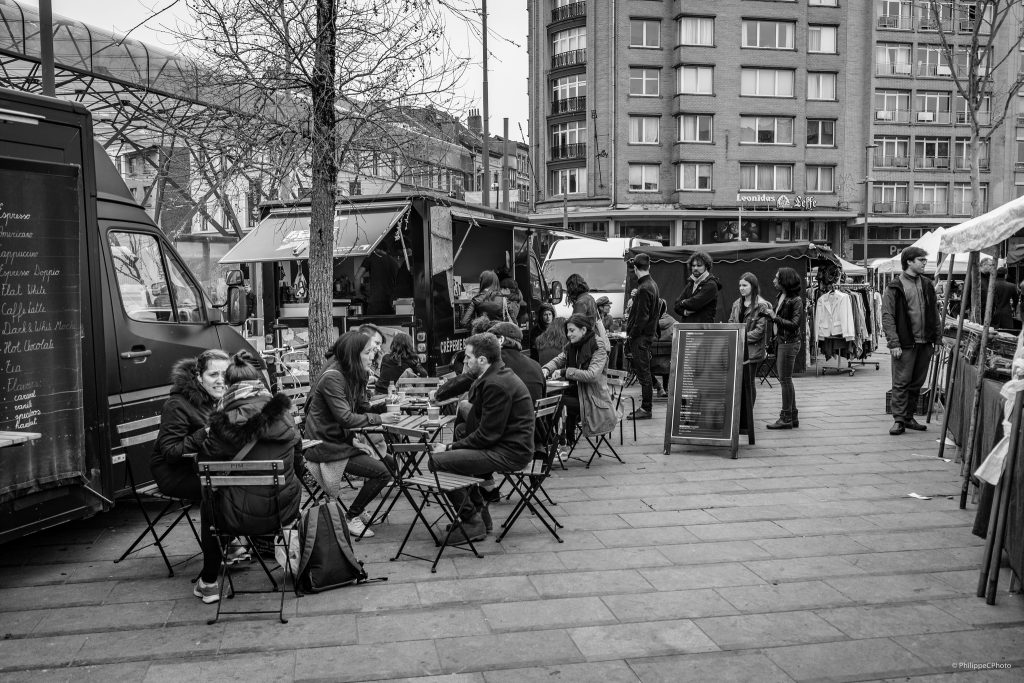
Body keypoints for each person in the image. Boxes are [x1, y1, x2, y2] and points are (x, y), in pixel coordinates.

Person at [194, 351, 302, 603]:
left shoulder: (222, 423)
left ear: (231, 387)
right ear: (259, 383)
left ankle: (209, 581)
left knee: (210, 498)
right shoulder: (285, 416)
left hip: (234, 517)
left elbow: (203, 465)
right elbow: (299, 460)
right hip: (282, 512)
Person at [430, 333, 535, 542]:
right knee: (460, 436)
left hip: (510, 452)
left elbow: (487, 436)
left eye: (468, 357)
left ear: (482, 359)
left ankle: (471, 521)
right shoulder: (494, 374)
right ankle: (480, 515)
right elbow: (485, 430)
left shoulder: (496, 384)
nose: (465, 362)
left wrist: (450, 448)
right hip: (504, 444)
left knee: (437, 461)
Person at [303, 332, 402, 536]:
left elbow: (361, 408)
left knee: (391, 463)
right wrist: (380, 419)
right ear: (353, 355)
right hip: (323, 447)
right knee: (383, 472)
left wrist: (387, 404)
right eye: (368, 352)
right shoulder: (333, 378)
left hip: (340, 442)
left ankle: (359, 509)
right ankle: (351, 516)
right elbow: (345, 418)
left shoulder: (354, 375)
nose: (373, 356)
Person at [151, 350, 230, 503]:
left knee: (256, 479)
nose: (221, 381)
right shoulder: (176, 405)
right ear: (199, 377)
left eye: (225, 374)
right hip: (176, 476)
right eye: (213, 375)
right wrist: (206, 432)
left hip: (208, 469)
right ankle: (218, 526)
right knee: (240, 488)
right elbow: (170, 452)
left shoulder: (217, 400)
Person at [882, 246, 943, 435]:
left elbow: (934, 313)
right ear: (909, 261)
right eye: (921, 260)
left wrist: (938, 339)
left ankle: (908, 417)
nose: (925, 263)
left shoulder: (926, 284)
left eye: (925, 260)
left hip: (925, 342)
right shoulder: (895, 286)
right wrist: (894, 342)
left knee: (917, 382)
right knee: (901, 382)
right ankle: (899, 419)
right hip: (905, 342)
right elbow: (887, 316)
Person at [541, 314, 619, 446]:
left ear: (583, 330)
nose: (568, 334)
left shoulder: (598, 346)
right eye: (567, 331)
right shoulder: (573, 345)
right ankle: (560, 441)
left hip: (593, 401)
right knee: (550, 399)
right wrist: (546, 369)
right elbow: (560, 358)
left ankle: (559, 444)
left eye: (572, 330)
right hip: (578, 395)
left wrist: (566, 372)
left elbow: (592, 375)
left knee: (556, 403)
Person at [763, 267, 804, 430]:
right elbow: (777, 318)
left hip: (789, 343)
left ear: (785, 281)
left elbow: (794, 325)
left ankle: (786, 417)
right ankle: (792, 415)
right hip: (782, 341)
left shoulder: (796, 301)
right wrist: (768, 313)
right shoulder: (781, 296)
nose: (774, 280)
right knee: (786, 379)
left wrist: (774, 317)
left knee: (785, 380)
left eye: (777, 278)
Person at [624, 253, 660, 420]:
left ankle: (646, 408)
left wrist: (632, 335)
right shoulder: (651, 284)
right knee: (644, 373)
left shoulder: (645, 288)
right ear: (649, 267)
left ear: (636, 269)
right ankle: (646, 408)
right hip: (646, 337)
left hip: (641, 338)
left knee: (643, 374)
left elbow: (642, 318)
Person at [728, 272, 771, 405]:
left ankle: (749, 415)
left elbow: (759, 331)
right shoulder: (736, 303)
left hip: (752, 350)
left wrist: (740, 335)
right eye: (740, 285)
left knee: (749, 381)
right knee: (738, 382)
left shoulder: (762, 305)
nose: (741, 288)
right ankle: (740, 413)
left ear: (753, 286)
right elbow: (731, 321)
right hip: (737, 348)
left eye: (744, 285)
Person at [489, 321, 546, 403]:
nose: (487, 344)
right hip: (535, 414)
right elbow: (543, 396)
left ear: (501, 340)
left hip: (506, 414)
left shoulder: (494, 363)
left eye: (491, 339)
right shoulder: (536, 365)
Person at [674, 250, 722, 322]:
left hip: (702, 329)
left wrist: (682, 302)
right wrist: (685, 312)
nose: (695, 268)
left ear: (706, 267)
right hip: (687, 328)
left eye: (699, 265)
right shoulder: (691, 283)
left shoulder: (711, 284)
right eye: (693, 265)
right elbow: (676, 306)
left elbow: (695, 304)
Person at [358, 245, 400, 315]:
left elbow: (357, 276)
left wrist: (358, 294)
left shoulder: (371, 257)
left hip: (375, 304)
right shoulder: (394, 262)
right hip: (390, 304)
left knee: (372, 326)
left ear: (377, 249)